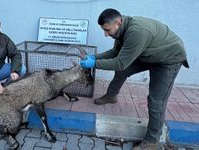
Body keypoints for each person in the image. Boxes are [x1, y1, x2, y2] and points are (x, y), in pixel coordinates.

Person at [80, 9, 189, 150]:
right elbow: (116, 53)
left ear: (118, 22)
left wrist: (94, 64)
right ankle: (111, 96)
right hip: (148, 53)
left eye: (107, 30)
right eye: (103, 30)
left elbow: (120, 62)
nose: (105, 34)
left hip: (168, 59)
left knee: (156, 101)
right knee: (122, 71)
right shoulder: (121, 30)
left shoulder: (137, 32)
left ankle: (152, 142)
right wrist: (95, 57)